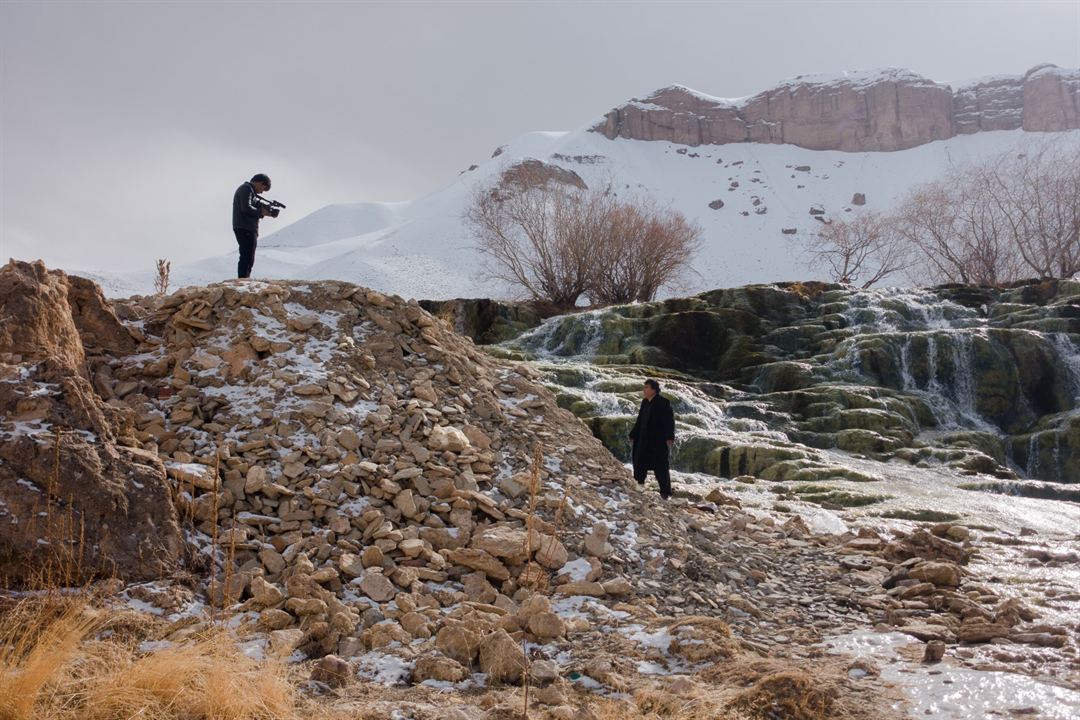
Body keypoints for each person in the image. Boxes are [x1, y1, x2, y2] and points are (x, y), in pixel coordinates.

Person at [629, 378, 675, 499]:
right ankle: (639, 484)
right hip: (643, 439)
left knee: (661, 465)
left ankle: (665, 492)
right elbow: (640, 420)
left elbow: (669, 421)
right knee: (639, 461)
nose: (644, 390)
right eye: (644, 387)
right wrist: (633, 434)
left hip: (657, 440)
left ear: (654, 390)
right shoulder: (645, 402)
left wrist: (669, 436)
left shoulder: (664, 402)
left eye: (646, 387)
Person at [232, 173, 278, 279]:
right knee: (247, 255)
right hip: (245, 227)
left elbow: (250, 206)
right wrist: (262, 213)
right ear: (260, 183)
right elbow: (246, 208)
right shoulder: (246, 189)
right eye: (263, 188)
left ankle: (244, 278)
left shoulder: (248, 190)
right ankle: (243, 279)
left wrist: (265, 209)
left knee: (248, 255)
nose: (262, 192)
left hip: (245, 226)